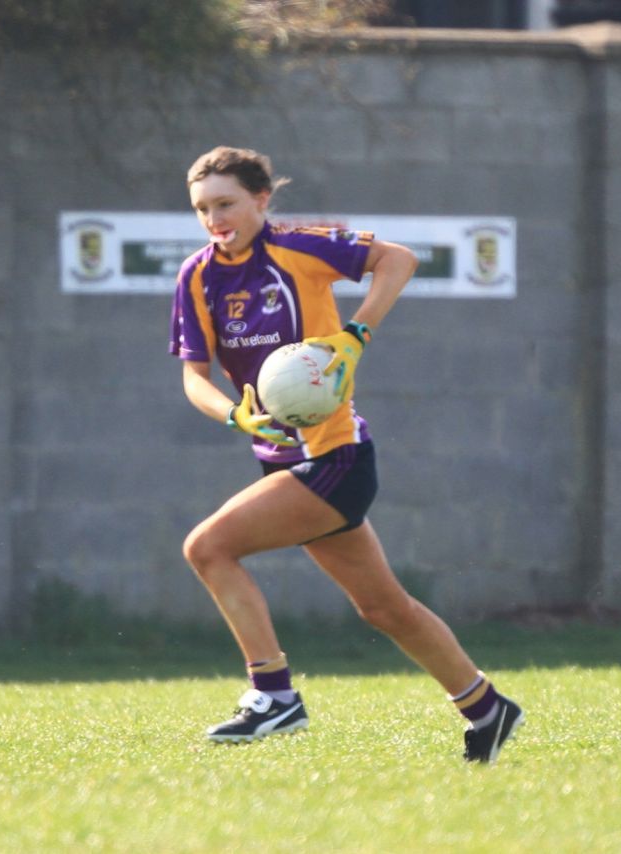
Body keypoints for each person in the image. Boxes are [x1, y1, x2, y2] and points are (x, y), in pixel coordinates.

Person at [169, 146, 523, 762]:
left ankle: (273, 694)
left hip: (335, 457)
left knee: (208, 547)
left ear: (260, 199)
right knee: (385, 607)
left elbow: (398, 260)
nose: (214, 218)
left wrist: (355, 334)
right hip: (284, 459)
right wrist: (232, 413)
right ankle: (486, 709)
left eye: (225, 203)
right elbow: (193, 376)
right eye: (202, 208)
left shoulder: (298, 248)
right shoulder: (197, 277)